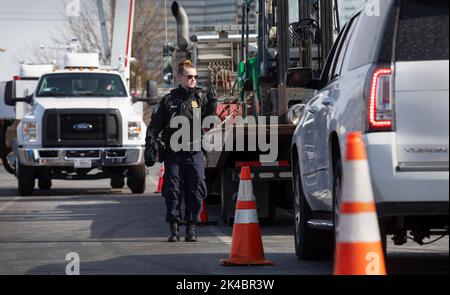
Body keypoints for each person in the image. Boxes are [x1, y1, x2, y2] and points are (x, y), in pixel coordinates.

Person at [145, 60, 217, 242]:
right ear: (180, 77)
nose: (193, 80)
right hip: (174, 153)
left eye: (195, 77)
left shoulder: (201, 99)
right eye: (189, 76)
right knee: (173, 190)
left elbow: (209, 123)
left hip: (195, 152)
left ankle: (192, 226)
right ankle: (174, 228)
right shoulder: (168, 100)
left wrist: (212, 105)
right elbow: (154, 126)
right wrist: (150, 145)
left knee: (197, 188)